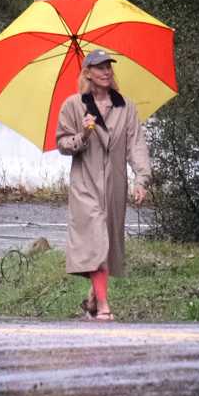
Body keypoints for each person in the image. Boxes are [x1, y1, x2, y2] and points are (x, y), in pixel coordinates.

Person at [54, 48, 150, 321]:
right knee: (96, 240)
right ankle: (105, 306)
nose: (106, 71)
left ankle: (93, 297)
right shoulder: (73, 105)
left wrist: (141, 178)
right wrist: (83, 133)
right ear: (88, 73)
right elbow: (62, 144)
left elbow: (136, 145)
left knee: (107, 245)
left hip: (115, 186)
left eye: (108, 66)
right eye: (99, 67)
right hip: (85, 185)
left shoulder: (125, 106)